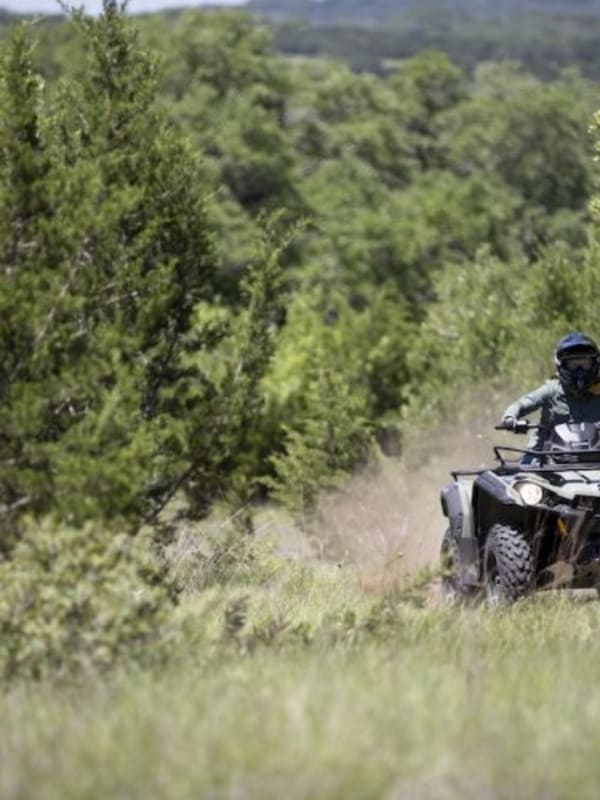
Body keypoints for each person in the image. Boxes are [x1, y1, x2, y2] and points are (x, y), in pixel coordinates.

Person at [501, 332, 600, 456]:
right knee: (525, 472)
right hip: (544, 454)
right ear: (561, 366)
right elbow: (522, 404)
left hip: (595, 454)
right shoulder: (551, 389)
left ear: (595, 364)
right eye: (573, 365)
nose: (579, 370)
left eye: (584, 364)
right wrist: (510, 418)